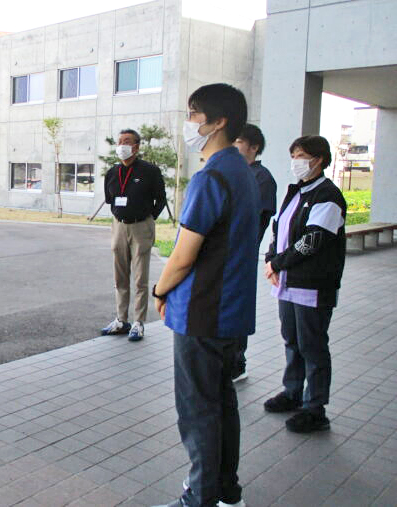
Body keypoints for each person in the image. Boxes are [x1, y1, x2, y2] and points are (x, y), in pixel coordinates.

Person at [152, 84, 259, 507]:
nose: (189, 122)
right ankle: (226, 492)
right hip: (229, 311)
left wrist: (160, 290)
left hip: (203, 311)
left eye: (194, 114)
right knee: (221, 403)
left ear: (219, 122)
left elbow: (183, 256)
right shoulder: (241, 171)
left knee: (198, 410)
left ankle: (200, 497)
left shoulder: (211, 177)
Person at [262, 135, 346, 434]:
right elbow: (279, 231)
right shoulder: (296, 192)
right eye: (293, 155)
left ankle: (315, 409)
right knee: (292, 340)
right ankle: (293, 392)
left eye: (301, 156)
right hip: (288, 283)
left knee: (312, 346)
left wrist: (278, 263)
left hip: (312, 285)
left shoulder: (328, 195)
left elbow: (312, 241)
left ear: (319, 159)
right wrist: (271, 259)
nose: (295, 162)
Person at [101, 128, 166, 341]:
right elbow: (110, 199)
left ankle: (138, 322)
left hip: (141, 226)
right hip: (119, 226)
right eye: (119, 141)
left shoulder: (150, 171)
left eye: (127, 141)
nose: (122, 145)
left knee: (140, 278)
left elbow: (161, 199)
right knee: (120, 276)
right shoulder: (112, 173)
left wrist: (149, 218)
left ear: (136, 147)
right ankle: (121, 319)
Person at [231, 124, 277, 382]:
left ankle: (237, 362)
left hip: (241, 255)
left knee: (237, 306)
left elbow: (253, 220)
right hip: (225, 255)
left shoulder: (261, 178)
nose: (233, 146)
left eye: (238, 141)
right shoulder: (235, 173)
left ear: (254, 147)